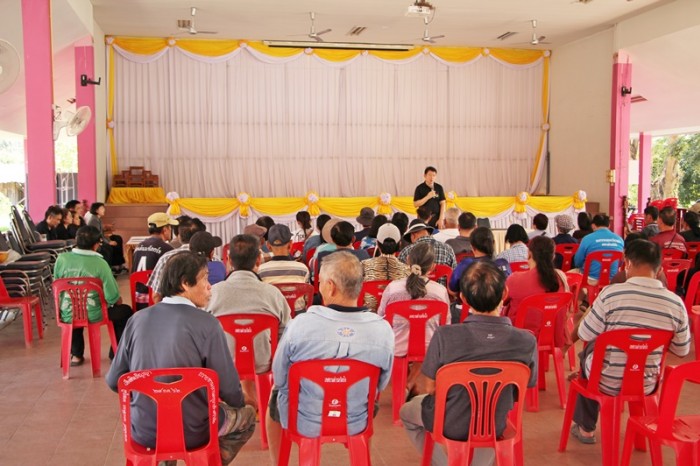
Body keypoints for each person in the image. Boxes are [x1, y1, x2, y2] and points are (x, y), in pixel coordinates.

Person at [105, 252, 256, 465]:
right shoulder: (208, 324)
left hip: (144, 431)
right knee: (247, 417)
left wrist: (149, 398)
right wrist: (242, 402)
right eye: (204, 278)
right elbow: (229, 389)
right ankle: (208, 461)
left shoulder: (136, 320)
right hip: (196, 432)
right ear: (185, 283)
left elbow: (114, 380)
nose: (210, 287)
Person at [400, 261, 537, 466]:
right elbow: (524, 387)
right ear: (504, 293)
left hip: (449, 422)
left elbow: (429, 388)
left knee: (406, 412)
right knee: (489, 421)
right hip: (495, 423)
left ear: (463, 298)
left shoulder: (445, 335)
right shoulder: (526, 340)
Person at [265, 251, 394, 464]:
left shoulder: (300, 325)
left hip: (304, 420)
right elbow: (381, 383)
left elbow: (279, 377)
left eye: (321, 282)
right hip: (357, 420)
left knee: (275, 392)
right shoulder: (383, 329)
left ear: (331, 286)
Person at [567, 239, 690, 444]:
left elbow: (586, 334)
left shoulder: (610, 294)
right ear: (660, 269)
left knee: (589, 350)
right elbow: (682, 350)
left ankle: (586, 428)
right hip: (647, 382)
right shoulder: (676, 303)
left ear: (627, 263)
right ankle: (641, 432)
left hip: (605, 380)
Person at [206, 234, 290, 405]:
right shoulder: (273, 294)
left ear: (229, 260)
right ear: (258, 260)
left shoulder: (212, 293)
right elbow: (287, 334)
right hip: (264, 363)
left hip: (224, 365)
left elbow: (202, 334)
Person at [53, 226, 133, 365]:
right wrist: (116, 301)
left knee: (74, 310)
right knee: (125, 312)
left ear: (76, 240)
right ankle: (116, 354)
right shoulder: (100, 263)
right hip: (95, 314)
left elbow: (56, 284)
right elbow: (112, 297)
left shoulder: (62, 259)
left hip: (66, 312)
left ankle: (76, 355)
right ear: (96, 245)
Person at [378, 242, 450, 395]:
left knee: (405, 344)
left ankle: (407, 385)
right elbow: (446, 325)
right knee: (426, 339)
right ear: (432, 267)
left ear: (408, 261)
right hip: (429, 348)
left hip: (396, 345)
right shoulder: (440, 291)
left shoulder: (393, 288)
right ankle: (409, 384)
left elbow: (381, 317)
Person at [502, 236, 570, 347]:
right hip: (552, 336)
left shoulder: (515, 279)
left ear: (529, 254)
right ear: (553, 256)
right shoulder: (560, 278)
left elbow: (503, 301)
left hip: (519, 338)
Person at [147, 216, 202, 301]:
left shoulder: (166, 257)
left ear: (179, 236)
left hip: (171, 307)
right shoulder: (212, 257)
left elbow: (156, 295)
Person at [449, 227, 512, 295]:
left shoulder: (466, 264)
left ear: (472, 247)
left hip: (471, 301)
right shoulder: (503, 263)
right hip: (499, 301)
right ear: (493, 243)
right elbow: (509, 290)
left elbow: (453, 290)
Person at [573, 213, 624, 283]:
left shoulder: (587, 239)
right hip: (612, 280)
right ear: (609, 225)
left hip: (590, 279)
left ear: (593, 226)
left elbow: (577, 262)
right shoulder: (620, 239)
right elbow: (620, 263)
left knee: (566, 276)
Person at [87, 202, 126, 273]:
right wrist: (108, 242)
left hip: (102, 238)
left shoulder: (98, 219)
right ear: (96, 210)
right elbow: (98, 235)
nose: (104, 210)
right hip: (97, 241)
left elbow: (101, 231)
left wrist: (107, 231)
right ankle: (111, 267)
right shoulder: (94, 220)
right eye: (102, 208)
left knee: (118, 238)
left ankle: (118, 264)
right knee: (108, 247)